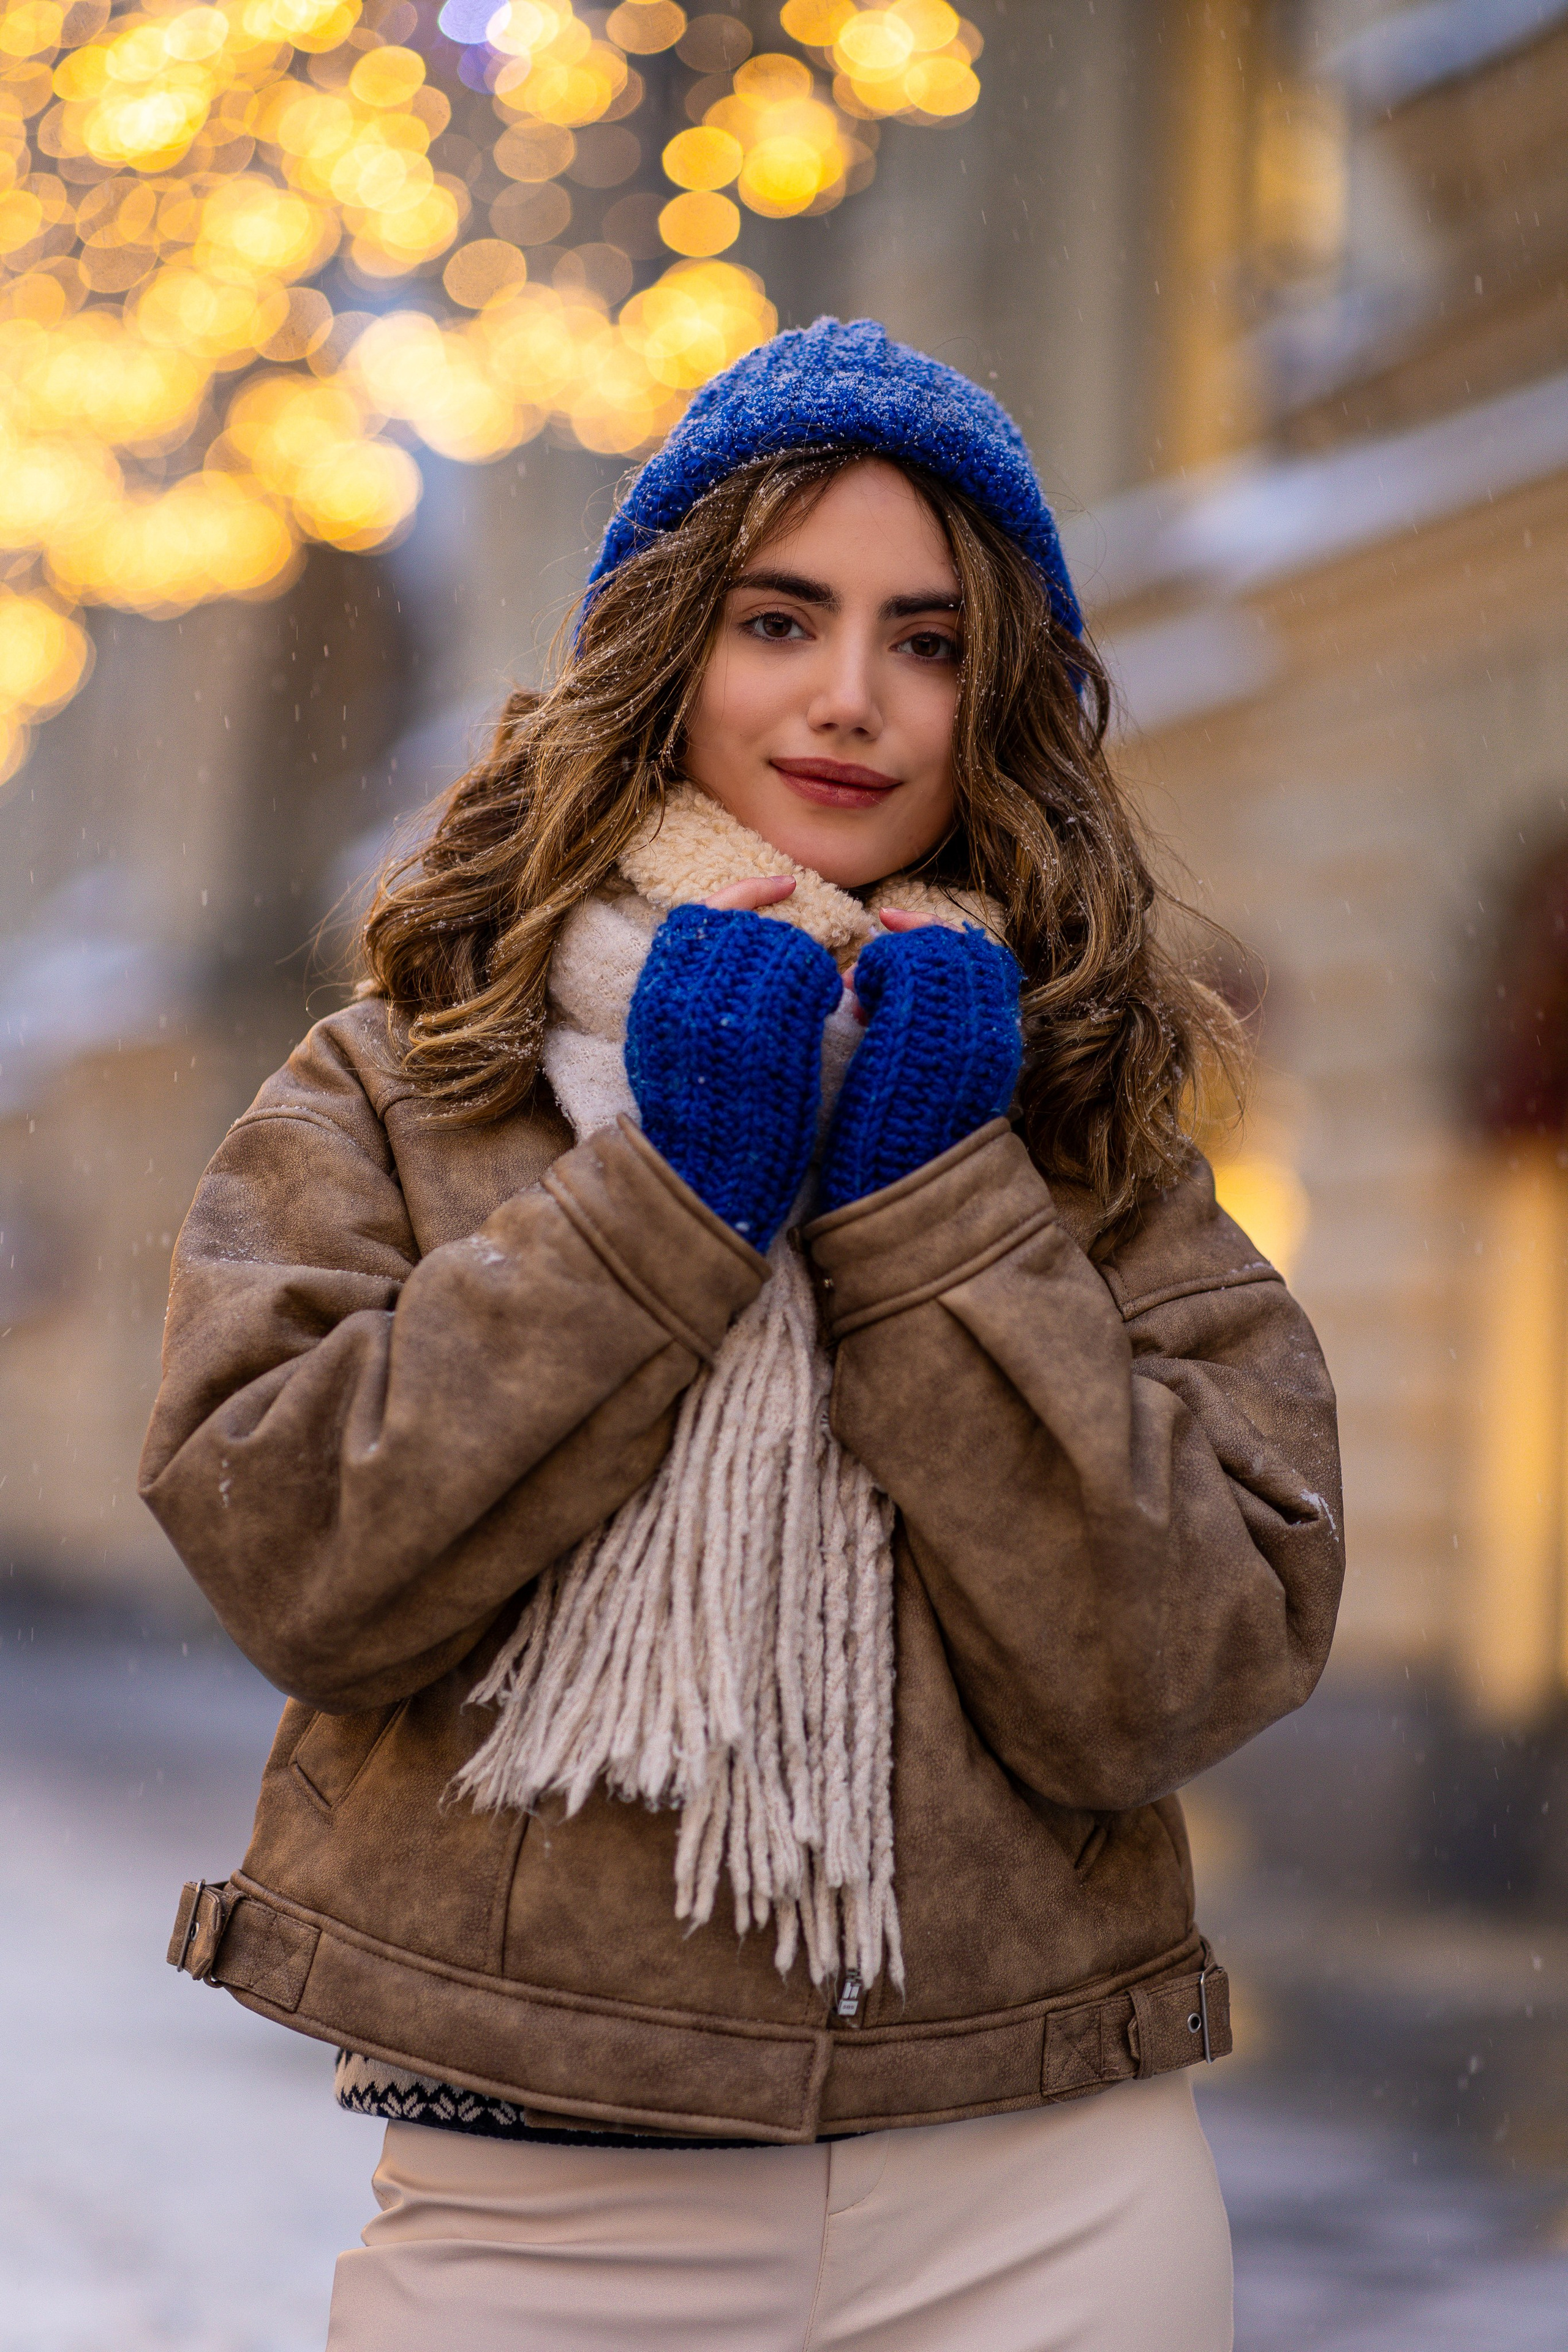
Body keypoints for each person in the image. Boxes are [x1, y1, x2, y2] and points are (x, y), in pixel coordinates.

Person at [143, 318, 1343, 2352]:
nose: (855, 700)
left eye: (932, 641)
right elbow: (299, 1560)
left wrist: (930, 1212)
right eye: (783, 618)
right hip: (536, 2202)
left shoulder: (1076, 1121)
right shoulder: (417, 1079)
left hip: (1044, 2196)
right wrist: (671, 1200)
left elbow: (1181, 1666)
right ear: (666, 647)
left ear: (1000, 702)